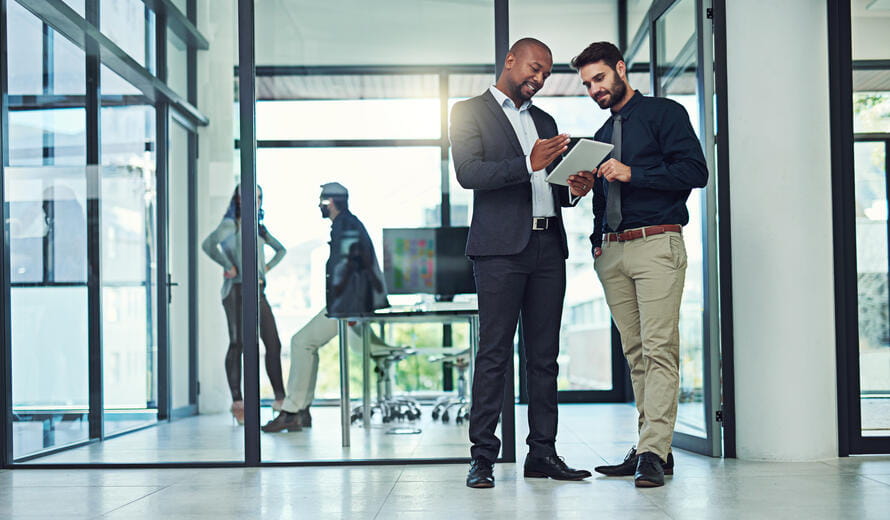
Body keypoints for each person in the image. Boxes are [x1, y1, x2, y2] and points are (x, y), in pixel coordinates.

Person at [449, 37, 596, 489]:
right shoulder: (468, 111)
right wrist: (526, 162)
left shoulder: (546, 120)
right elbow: (468, 173)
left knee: (545, 357)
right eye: (534, 68)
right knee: (494, 355)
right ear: (510, 61)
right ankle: (482, 458)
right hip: (498, 251)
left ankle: (543, 454)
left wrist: (574, 188)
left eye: (547, 74)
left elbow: (551, 187)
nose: (539, 78)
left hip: (548, 248)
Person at [571, 41, 708, 487]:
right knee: (636, 354)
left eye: (600, 78)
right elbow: (602, 198)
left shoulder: (665, 114)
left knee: (658, 348)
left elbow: (695, 172)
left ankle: (652, 450)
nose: (595, 89)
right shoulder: (602, 134)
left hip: (656, 244)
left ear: (620, 69)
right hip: (612, 252)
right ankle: (654, 449)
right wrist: (595, 238)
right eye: (588, 84)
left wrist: (634, 173)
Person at [261, 182, 389, 433]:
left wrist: (346, 310)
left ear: (331, 202)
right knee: (306, 343)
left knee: (301, 341)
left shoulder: (345, 226)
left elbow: (347, 269)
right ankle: (300, 411)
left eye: (321, 201)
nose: (318, 206)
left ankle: (293, 411)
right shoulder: (348, 224)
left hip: (348, 306)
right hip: (348, 303)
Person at [202, 185, 287, 425]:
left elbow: (281, 250)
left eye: (259, 197)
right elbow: (208, 245)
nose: (255, 201)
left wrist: (265, 269)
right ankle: (238, 402)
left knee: (273, 342)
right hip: (236, 291)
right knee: (238, 343)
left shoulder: (259, 228)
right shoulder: (231, 225)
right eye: (249, 197)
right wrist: (228, 266)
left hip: (257, 291)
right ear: (238, 200)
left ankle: (280, 399)